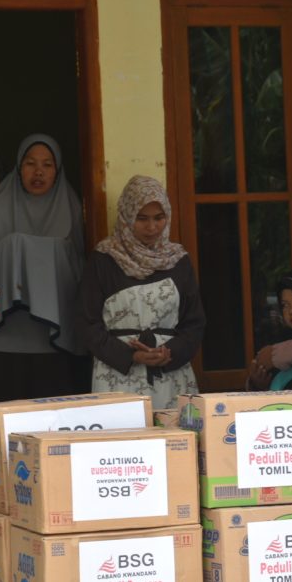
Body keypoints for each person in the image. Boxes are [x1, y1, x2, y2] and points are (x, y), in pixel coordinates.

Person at [0, 134, 86, 416]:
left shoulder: (72, 208)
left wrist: (29, 253)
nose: (38, 172)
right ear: (18, 167)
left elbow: (82, 270)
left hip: (51, 344)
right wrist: (11, 253)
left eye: (47, 165)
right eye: (30, 163)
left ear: (58, 170)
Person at [79, 175, 205, 409]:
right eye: (141, 218)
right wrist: (131, 356)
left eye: (159, 218)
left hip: (171, 375)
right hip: (116, 375)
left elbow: (194, 323)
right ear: (126, 217)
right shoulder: (104, 260)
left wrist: (169, 353)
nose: (152, 227)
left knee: (175, 440)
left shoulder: (178, 261)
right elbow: (88, 324)